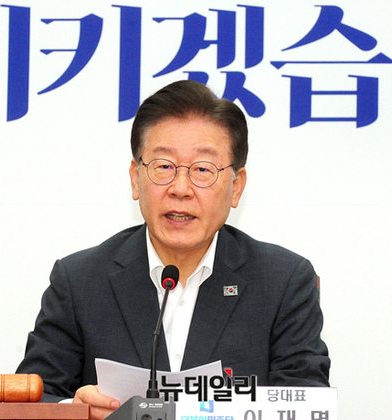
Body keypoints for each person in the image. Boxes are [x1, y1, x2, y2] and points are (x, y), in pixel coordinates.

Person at [16, 80, 330, 419]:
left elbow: (306, 403)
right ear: (136, 177)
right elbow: (32, 399)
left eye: (203, 170)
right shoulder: (80, 281)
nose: (180, 188)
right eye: (164, 166)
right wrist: (74, 413)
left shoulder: (282, 282)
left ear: (236, 187)